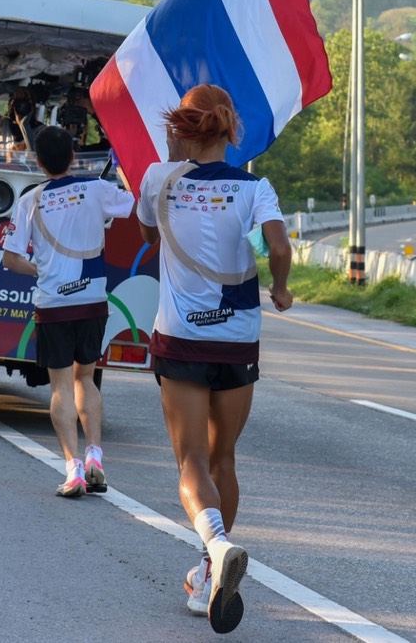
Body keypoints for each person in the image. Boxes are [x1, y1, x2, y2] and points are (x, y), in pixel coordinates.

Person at [135, 84, 293, 634]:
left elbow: (146, 230)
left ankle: (218, 548)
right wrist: (281, 288)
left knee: (190, 464)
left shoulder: (158, 178)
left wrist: (172, 157)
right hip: (238, 337)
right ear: (229, 130)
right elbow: (277, 247)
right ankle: (208, 573)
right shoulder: (256, 187)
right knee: (224, 456)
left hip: (180, 338)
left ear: (181, 127)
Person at [0, 126, 136, 497]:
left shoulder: (30, 200)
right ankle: (95, 455)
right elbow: (132, 202)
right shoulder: (96, 189)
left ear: (39, 162)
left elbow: (11, 258)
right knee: (85, 379)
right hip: (92, 300)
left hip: (54, 304)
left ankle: (73, 469)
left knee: (60, 386)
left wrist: (40, 270)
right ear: (74, 156)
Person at [0, 80, 41, 151]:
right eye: (18, 102)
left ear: (33, 107)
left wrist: (25, 126)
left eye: (27, 102)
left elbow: (38, 157)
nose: (22, 106)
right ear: (11, 106)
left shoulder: (41, 132)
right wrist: (4, 87)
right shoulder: (2, 126)